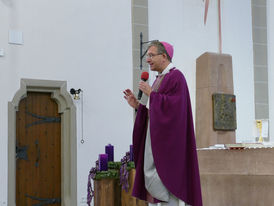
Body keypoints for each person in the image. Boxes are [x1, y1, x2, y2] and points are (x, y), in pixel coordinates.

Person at [123, 41, 202, 206]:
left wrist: (153, 95)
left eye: (151, 55)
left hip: (170, 147)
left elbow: (176, 109)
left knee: (170, 189)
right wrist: (138, 106)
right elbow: (156, 112)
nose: (148, 60)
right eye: (148, 56)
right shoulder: (159, 78)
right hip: (157, 140)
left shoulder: (176, 76)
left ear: (164, 56)